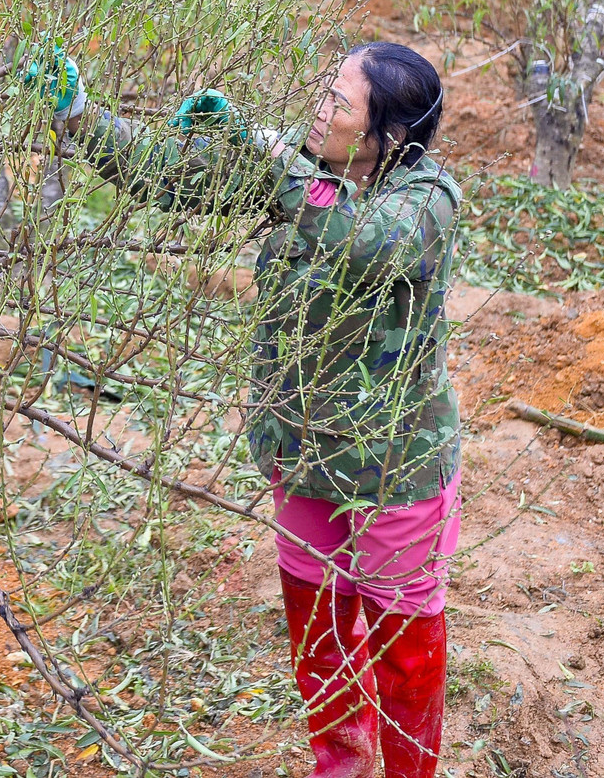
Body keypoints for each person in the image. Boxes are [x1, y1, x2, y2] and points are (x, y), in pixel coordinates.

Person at [29, 40, 461, 778]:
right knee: (319, 634)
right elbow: (163, 178)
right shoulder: (303, 170)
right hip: (302, 453)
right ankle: (342, 767)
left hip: (394, 467)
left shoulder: (427, 201)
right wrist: (80, 114)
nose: (319, 108)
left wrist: (271, 155)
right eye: (324, 90)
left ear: (388, 137)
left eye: (339, 102)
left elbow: (365, 244)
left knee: (405, 654)